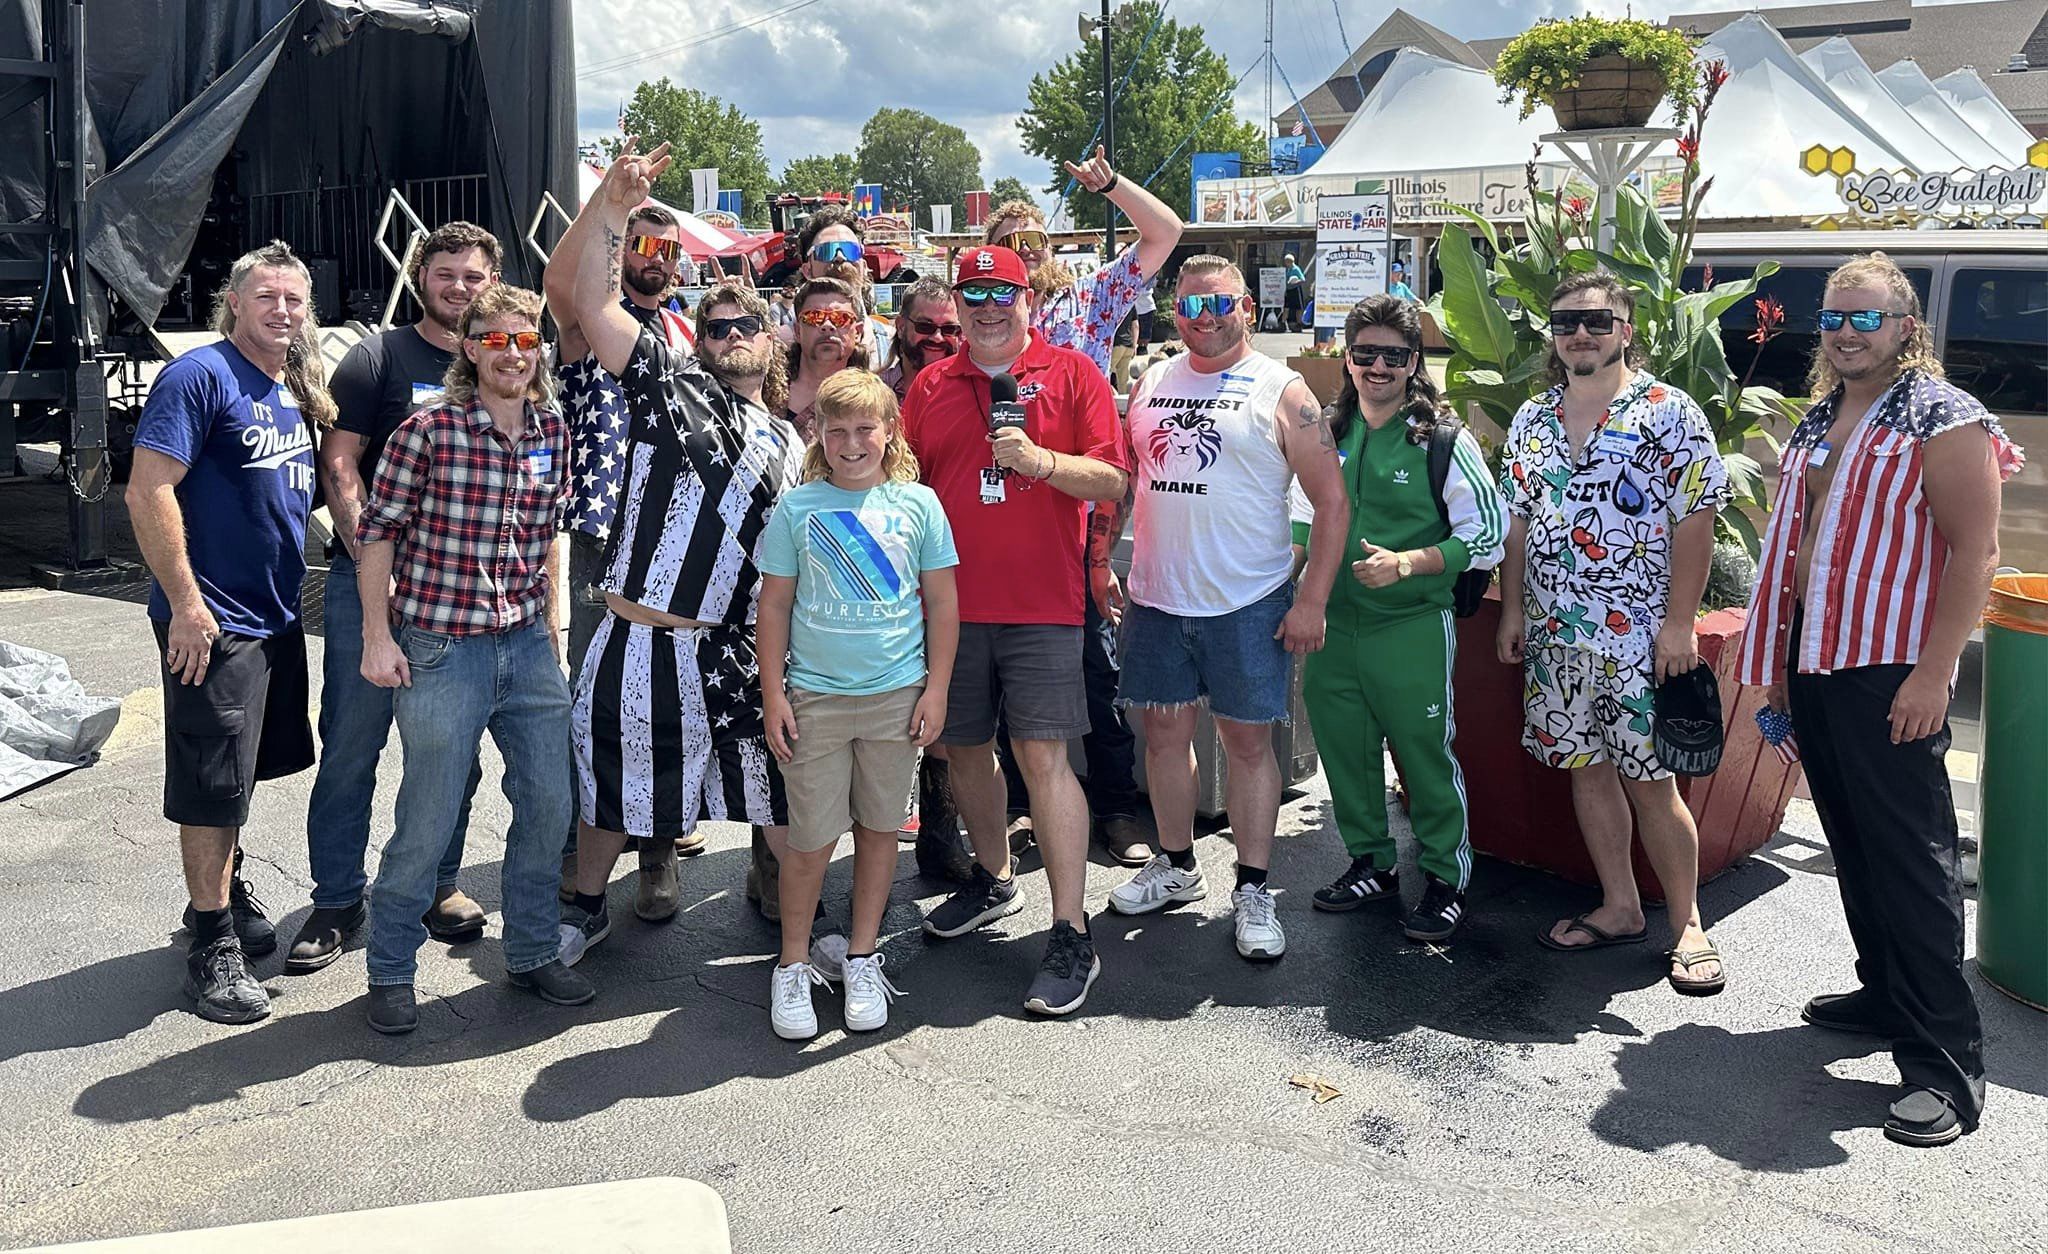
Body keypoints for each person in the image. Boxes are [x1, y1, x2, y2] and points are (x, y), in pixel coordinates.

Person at [1737, 253, 2021, 1147]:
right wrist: (1780, 661)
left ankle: (1945, 1065)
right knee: (1854, 842)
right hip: (1819, 658)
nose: (1846, 333)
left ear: (1905, 325)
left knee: (1912, 857)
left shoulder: (1944, 417)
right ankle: (1884, 993)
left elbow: (1974, 552)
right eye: (1833, 318)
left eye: (1866, 318)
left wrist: (1936, 675)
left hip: (1889, 669)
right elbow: (1803, 546)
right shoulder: (1823, 413)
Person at [547, 142, 810, 974]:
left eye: (747, 327)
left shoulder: (795, 446)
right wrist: (617, 207)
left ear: (772, 342)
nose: (731, 337)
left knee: (775, 787)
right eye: (719, 326)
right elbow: (587, 300)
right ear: (702, 338)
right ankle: (586, 908)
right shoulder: (670, 385)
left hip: (731, 647)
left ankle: (803, 932)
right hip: (639, 634)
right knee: (612, 781)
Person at [1098, 255, 1348, 961]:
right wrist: (1100, 559)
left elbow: (1331, 503)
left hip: (1246, 600)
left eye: (1219, 306)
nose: (1204, 320)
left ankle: (1254, 886)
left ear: (1247, 306)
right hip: (1156, 595)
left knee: (1246, 747)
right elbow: (1125, 482)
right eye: (1190, 309)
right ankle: (1176, 866)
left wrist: (1313, 600)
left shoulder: (1284, 390)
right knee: (1165, 740)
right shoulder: (1150, 381)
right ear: (1174, 313)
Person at [902, 244, 1129, 1016]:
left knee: (1043, 757)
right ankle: (994, 880)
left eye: (1003, 292)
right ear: (956, 307)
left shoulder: (1073, 374)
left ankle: (1072, 931)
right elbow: (906, 488)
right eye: (974, 296)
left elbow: (1113, 479)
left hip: (1042, 605)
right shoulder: (929, 385)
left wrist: (1038, 459)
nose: (989, 307)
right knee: (963, 750)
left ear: (1029, 296)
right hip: (952, 610)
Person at [354, 283, 588, 1033]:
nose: (513, 354)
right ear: (470, 348)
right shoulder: (429, 429)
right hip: (441, 643)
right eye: (497, 341)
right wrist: (376, 637)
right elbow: (377, 532)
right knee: (429, 814)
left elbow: (549, 537)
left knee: (551, 803)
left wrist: (551, 631)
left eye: (526, 342)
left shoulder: (554, 426)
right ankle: (390, 968)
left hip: (524, 641)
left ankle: (528, 953)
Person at [1495, 271, 1729, 995]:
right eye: (1567, 321)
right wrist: (1512, 611)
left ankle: (1688, 923)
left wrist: (1680, 624)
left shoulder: (1668, 413)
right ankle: (1622, 905)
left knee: (1652, 783)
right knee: (1587, 772)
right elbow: (1518, 524)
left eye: (1599, 321)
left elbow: (1697, 520)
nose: (1581, 333)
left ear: (1626, 330)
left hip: (1636, 636)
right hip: (1557, 638)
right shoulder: (1533, 418)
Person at [126, 241, 328, 1023]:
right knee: (211, 787)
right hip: (212, 623)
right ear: (236, 303)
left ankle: (224, 891)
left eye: (295, 300)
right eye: (267, 297)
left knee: (241, 776)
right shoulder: (199, 375)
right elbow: (148, 491)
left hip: (274, 617)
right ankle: (211, 946)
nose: (283, 311)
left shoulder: (287, 384)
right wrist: (185, 604)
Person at [291, 221, 499, 974]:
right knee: (353, 743)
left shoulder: (497, 362)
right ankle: (339, 898)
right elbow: (339, 462)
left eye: (473, 277)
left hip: (461, 599)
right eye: (446, 274)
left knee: (452, 752)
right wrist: (364, 548)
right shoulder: (378, 359)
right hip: (369, 588)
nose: (459, 289)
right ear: (421, 277)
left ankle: (439, 884)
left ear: (491, 283)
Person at [757, 369, 960, 1039]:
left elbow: (941, 603)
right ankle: (792, 965)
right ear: (816, 434)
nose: (851, 444)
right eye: (836, 430)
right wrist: (772, 693)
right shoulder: (798, 508)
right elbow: (776, 604)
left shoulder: (919, 505)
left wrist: (935, 688)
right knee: (811, 841)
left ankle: (864, 954)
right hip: (814, 698)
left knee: (879, 833)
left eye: (864, 429)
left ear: (889, 431)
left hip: (895, 699)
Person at [1294, 295, 1504, 940]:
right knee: (1344, 751)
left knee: (1423, 753)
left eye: (1393, 355)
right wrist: (1293, 580)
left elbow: (1490, 533)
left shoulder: (1442, 438)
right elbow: (1303, 516)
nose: (1377, 366)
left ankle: (1446, 877)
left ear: (1414, 362)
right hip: (1333, 626)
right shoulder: (1326, 434)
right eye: (1365, 354)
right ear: (1347, 358)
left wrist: (1410, 563)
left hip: (1409, 626)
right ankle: (1371, 862)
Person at [548, 202, 702, 920]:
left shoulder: (685, 335)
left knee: (663, 697)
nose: (657, 259)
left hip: (671, 535)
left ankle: (658, 851)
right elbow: (558, 285)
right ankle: (582, 852)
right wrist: (606, 204)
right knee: (595, 700)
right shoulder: (590, 324)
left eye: (669, 249)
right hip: (601, 534)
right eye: (642, 244)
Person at [983, 146, 1183, 376]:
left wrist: (1111, 184)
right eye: (1010, 242)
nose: (1025, 249)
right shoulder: (977, 311)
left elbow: (1167, 232)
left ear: (1049, 248)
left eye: (1033, 239)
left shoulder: (1091, 296)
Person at [784, 276, 871, 439]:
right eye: (813, 317)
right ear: (797, 331)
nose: (827, 326)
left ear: (858, 332)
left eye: (840, 318)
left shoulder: (873, 398)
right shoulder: (764, 390)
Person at [879, 276, 961, 401]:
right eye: (925, 326)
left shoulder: (971, 394)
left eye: (949, 329)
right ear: (901, 327)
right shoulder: (874, 393)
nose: (937, 338)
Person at [1283, 254, 1307, 330]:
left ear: (1289, 262)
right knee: (1286, 307)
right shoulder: (1287, 269)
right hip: (1288, 290)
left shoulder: (1296, 269)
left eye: (1286, 262)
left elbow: (1303, 279)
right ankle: (1283, 323)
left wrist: (1295, 281)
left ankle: (1299, 324)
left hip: (1296, 290)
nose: (1285, 263)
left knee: (1298, 308)